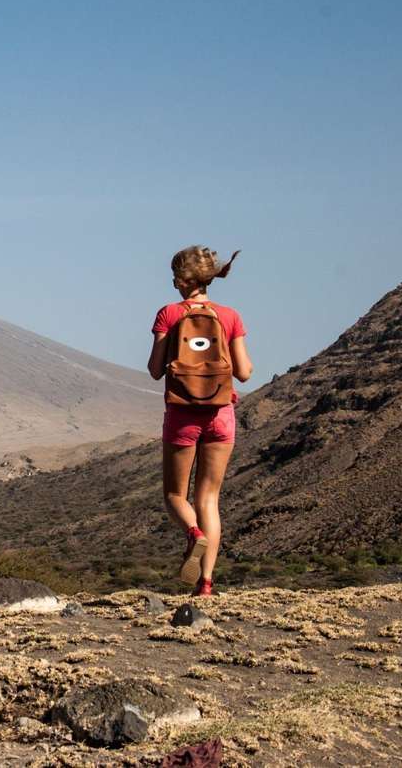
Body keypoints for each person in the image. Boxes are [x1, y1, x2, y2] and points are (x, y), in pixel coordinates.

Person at [147, 246, 252, 597]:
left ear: (184, 279)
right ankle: (205, 584)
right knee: (209, 498)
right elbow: (245, 372)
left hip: (181, 415)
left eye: (175, 274)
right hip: (221, 414)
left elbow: (154, 369)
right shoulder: (230, 316)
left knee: (175, 494)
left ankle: (195, 535)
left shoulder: (170, 314)